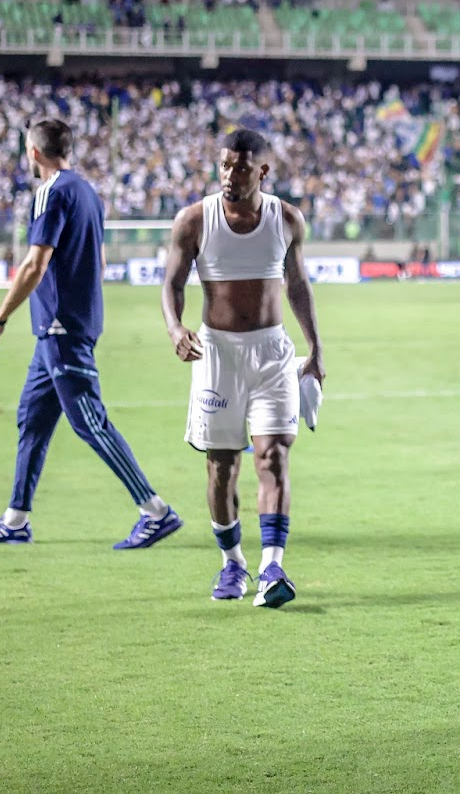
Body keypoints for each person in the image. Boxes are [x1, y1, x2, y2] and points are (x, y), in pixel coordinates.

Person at [0, 118, 182, 548]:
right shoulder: (86, 190)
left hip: (60, 327)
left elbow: (34, 264)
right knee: (32, 420)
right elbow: (98, 262)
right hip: (62, 327)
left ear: (33, 152)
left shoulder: (51, 192)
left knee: (89, 422)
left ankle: (155, 510)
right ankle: (15, 519)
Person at [161, 129, 326, 607]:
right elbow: (172, 284)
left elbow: (298, 286)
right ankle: (232, 562)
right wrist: (175, 329)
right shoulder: (194, 220)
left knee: (273, 457)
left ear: (263, 171)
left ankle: (272, 566)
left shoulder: (286, 219)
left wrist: (315, 347)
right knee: (222, 468)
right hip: (217, 355)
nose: (230, 174)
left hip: (272, 353)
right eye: (224, 165)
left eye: (240, 166)